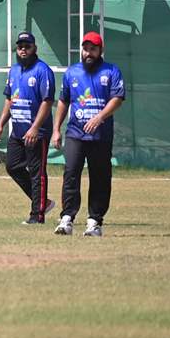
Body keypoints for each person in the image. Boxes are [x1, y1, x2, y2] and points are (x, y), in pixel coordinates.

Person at [52, 30, 125, 238]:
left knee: (100, 177)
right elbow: (63, 101)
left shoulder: (112, 71)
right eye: (85, 49)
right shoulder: (72, 72)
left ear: (100, 50)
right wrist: (56, 129)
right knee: (71, 173)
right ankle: (67, 218)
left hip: (101, 136)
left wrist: (100, 117)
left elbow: (117, 98)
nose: (88, 53)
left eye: (93, 49)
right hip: (75, 133)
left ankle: (94, 222)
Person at [0, 31, 56, 225]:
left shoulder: (43, 70)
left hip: (36, 132)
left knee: (37, 173)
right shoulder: (14, 71)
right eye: (20, 47)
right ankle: (44, 202)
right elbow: (9, 99)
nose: (23, 50)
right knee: (12, 166)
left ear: (35, 48)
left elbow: (47, 102)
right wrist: (0, 124)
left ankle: (37, 215)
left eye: (27, 46)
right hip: (18, 131)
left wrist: (35, 128)